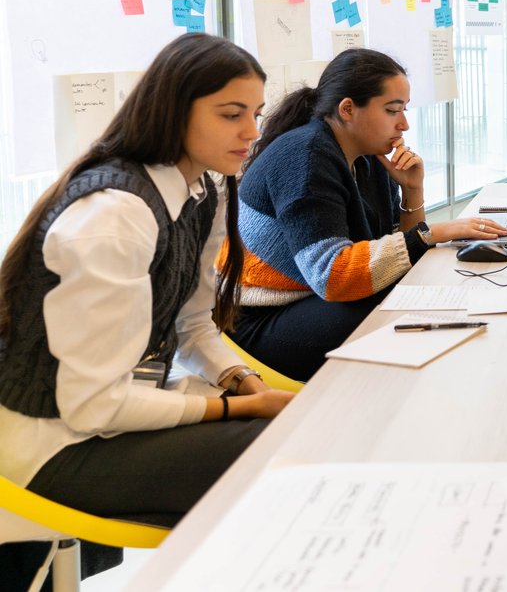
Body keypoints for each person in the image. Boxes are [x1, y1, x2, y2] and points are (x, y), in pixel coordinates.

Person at [0, 34, 294, 582]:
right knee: (284, 463)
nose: (252, 132)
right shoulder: (115, 215)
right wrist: (239, 410)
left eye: (255, 113)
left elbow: (193, 323)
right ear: (173, 109)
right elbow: (95, 407)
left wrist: (238, 378)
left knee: (295, 444)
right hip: (49, 446)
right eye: (232, 114)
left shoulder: (203, 190)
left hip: (105, 417)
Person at [232, 49, 507, 381]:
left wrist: (412, 190)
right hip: (265, 319)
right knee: (408, 309)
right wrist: (432, 233)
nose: (404, 124)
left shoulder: (367, 156)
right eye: (392, 111)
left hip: (316, 298)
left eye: (403, 110)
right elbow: (332, 276)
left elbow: (395, 253)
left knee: (419, 292)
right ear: (347, 109)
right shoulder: (305, 159)